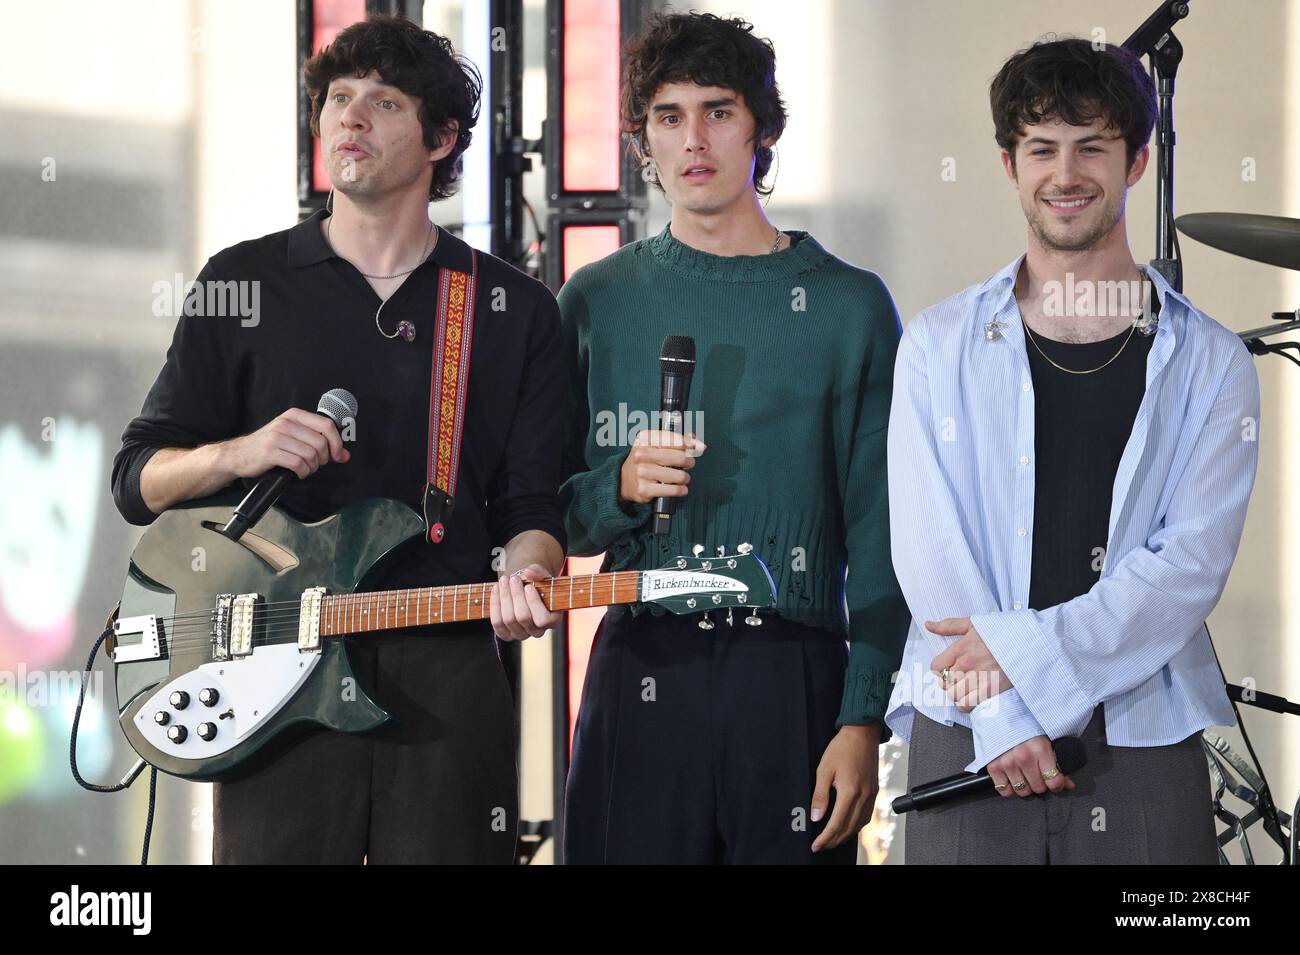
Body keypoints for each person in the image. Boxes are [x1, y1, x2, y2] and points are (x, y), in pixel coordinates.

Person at [110, 15, 565, 864]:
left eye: (383, 102)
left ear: (441, 138)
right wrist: (244, 451)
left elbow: (532, 505)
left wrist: (529, 570)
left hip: (445, 667)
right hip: (273, 669)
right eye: (337, 99)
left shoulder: (511, 308)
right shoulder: (242, 282)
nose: (349, 118)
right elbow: (137, 480)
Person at [884, 37, 1260, 864]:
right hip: (967, 720)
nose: (1066, 173)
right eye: (1041, 148)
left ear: (1134, 162)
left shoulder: (1211, 361)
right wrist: (1003, 713)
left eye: (1092, 146)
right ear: (1009, 164)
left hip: (1143, 725)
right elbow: (928, 553)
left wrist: (1025, 661)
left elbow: (1187, 566)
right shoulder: (938, 344)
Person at [559, 12, 910, 864]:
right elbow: (546, 513)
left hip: (791, 666)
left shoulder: (848, 306)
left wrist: (863, 714)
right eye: (667, 117)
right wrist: (619, 486)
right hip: (640, 653)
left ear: (764, 127)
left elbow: (884, 530)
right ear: (642, 139)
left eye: (718, 111)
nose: (694, 140)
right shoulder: (596, 298)